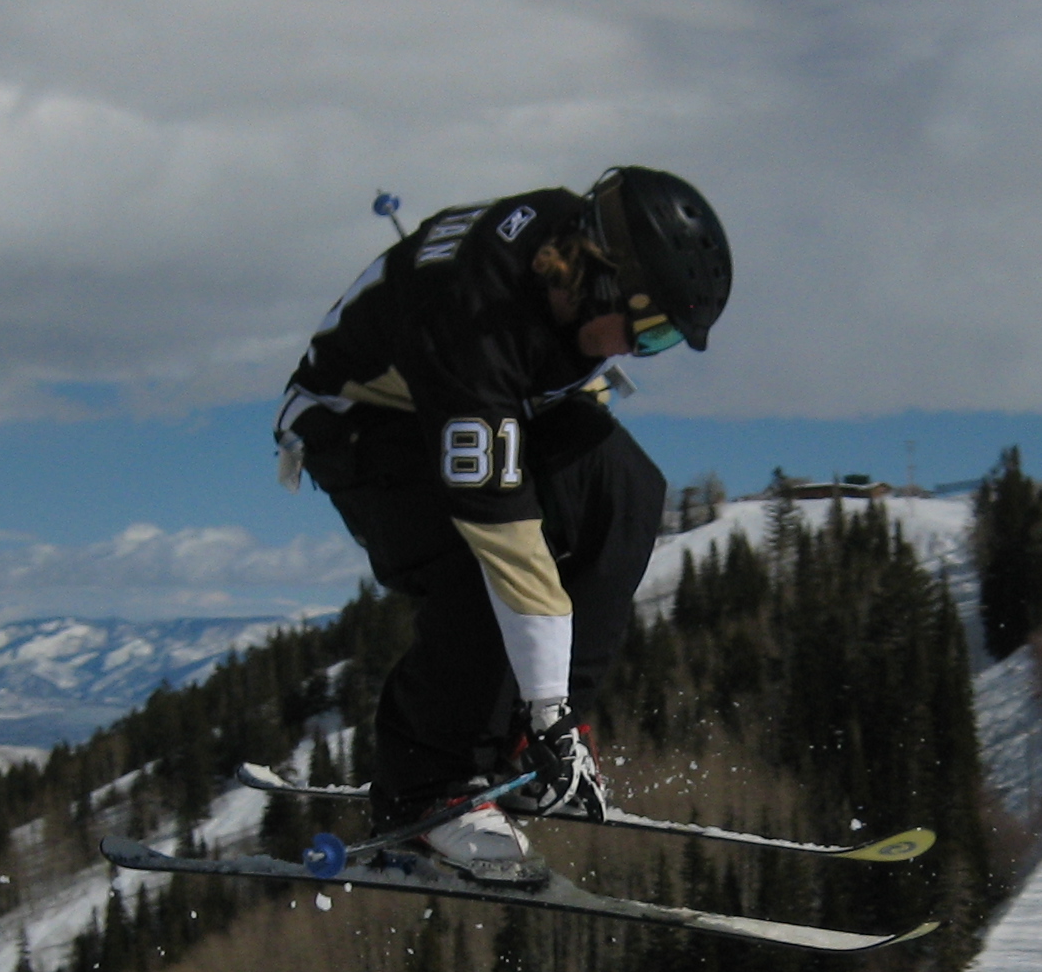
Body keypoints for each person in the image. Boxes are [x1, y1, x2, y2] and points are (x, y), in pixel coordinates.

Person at [272, 168, 731, 881]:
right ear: (607, 284)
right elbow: (504, 538)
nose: (642, 351)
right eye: (655, 331)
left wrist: (554, 716)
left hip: (462, 395)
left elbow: (559, 383)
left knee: (626, 488)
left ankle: (530, 751)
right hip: (355, 423)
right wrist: (545, 702)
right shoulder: (475, 323)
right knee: (472, 563)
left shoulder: (566, 255)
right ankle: (425, 794)